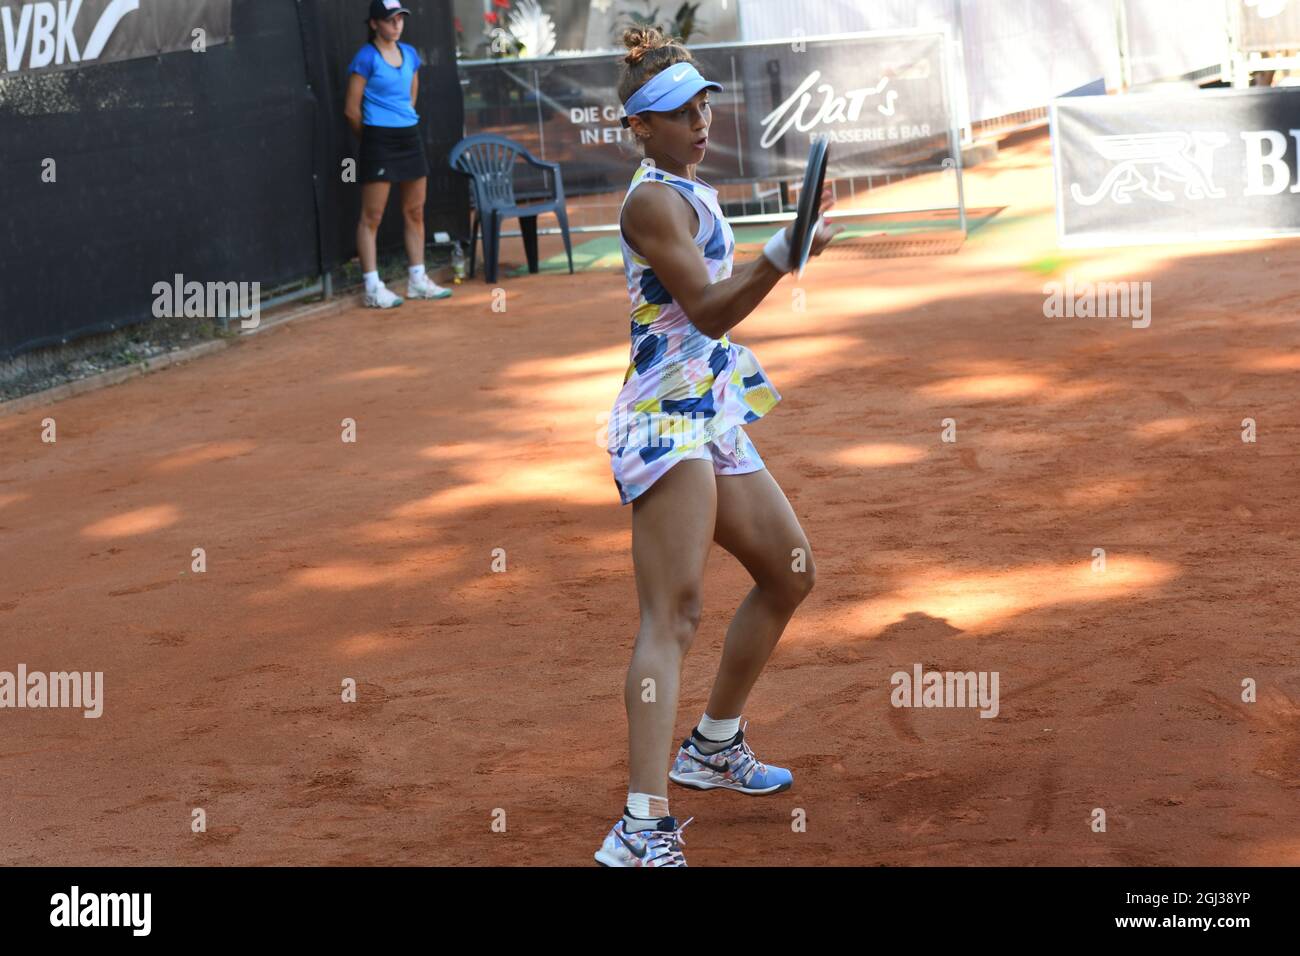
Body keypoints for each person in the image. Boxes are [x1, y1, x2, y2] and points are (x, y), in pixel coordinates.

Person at [594, 27, 841, 867]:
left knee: (790, 570)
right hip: (665, 419)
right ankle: (641, 823)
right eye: (676, 111)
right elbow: (707, 309)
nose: (699, 119)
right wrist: (782, 254)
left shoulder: (685, 187)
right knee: (675, 613)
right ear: (641, 127)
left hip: (711, 408)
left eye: (702, 103)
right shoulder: (652, 202)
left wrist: (786, 251)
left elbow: (722, 301)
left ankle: (712, 746)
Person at [344, 0, 452, 308]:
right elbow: (351, 110)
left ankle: (417, 280)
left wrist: (400, 120)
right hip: (378, 140)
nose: (397, 25)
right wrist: (374, 138)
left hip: (409, 137)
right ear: (374, 24)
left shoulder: (411, 55)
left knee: (415, 211)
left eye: (400, 19)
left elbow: (411, 96)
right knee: (372, 216)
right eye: (390, 20)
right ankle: (372, 287)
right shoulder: (366, 58)